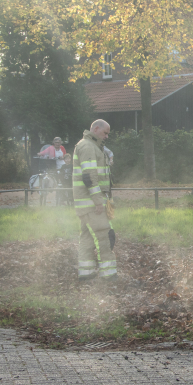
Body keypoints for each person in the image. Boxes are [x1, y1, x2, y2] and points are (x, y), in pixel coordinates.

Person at [72, 119, 116, 282]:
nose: (106, 137)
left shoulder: (91, 146)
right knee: (105, 235)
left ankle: (86, 272)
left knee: (87, 237)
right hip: (91, 204)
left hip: (87, 203)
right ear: (96, 129)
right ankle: (109, 274)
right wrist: (98, 201)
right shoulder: (88, 147)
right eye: (105, 133)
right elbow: (89, 176)